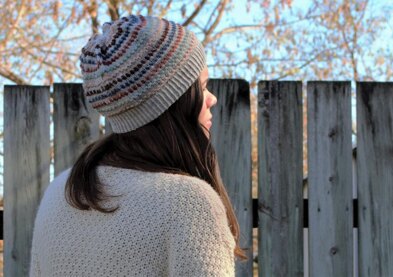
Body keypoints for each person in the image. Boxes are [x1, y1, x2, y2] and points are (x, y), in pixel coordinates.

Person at [29, 14, 246, 276]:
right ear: (171, 102)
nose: (212, 99)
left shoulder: (61, 193)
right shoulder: (189, 204)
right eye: (202, 87)